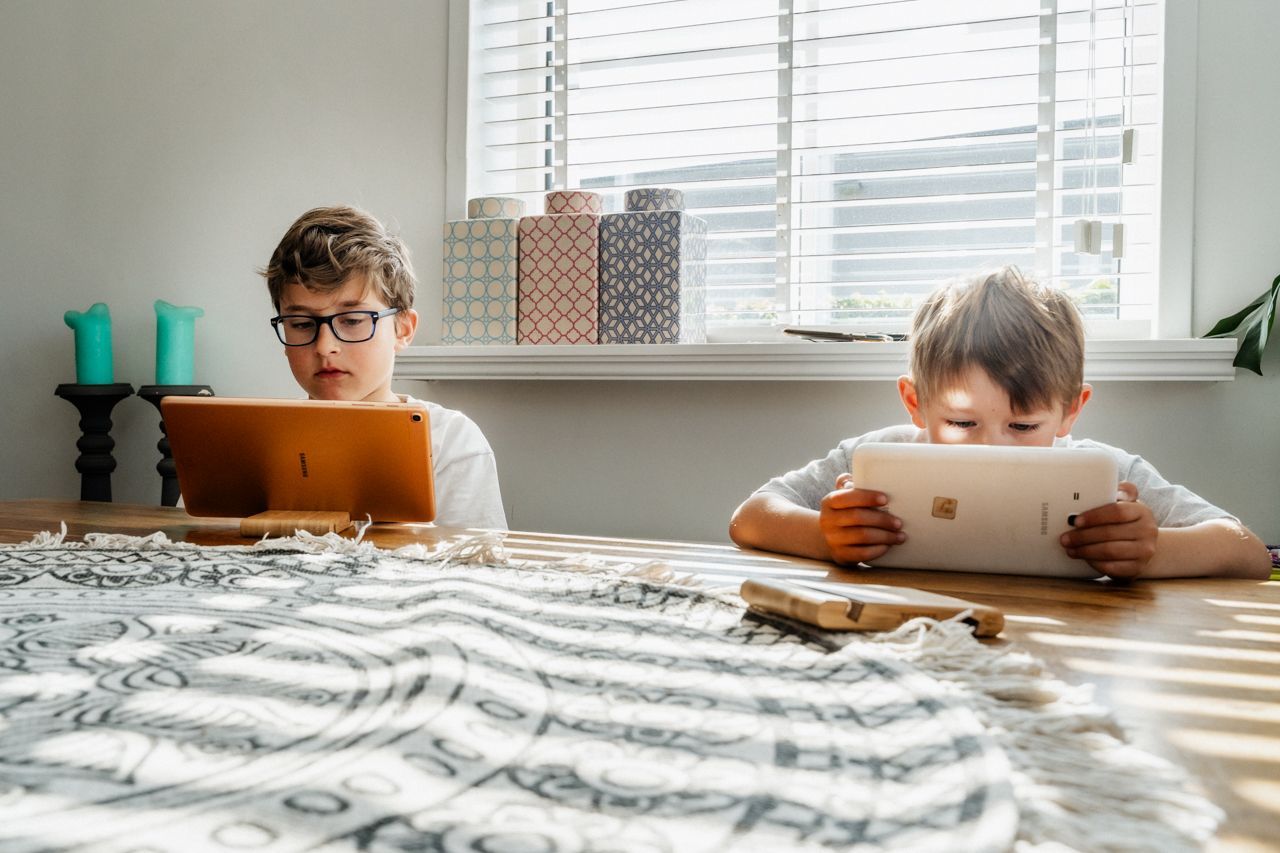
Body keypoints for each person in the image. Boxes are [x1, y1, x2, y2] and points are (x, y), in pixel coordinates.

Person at [729, 266, 1269, 580]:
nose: (991, 448)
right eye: (962, 423)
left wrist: (1150, 551)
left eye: (1023, 426)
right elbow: (750, 518)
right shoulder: (877, 459)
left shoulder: (1102, 475)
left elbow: (1246, 551)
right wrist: (826, 536)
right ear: (915, 403)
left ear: (1070, 410)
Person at [262, 205, 507, 530]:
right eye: (302, 324)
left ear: (403, 329)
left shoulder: (450, 443)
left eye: (351, 320)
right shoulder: (257, 442)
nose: (324, 347)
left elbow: (481, 565)